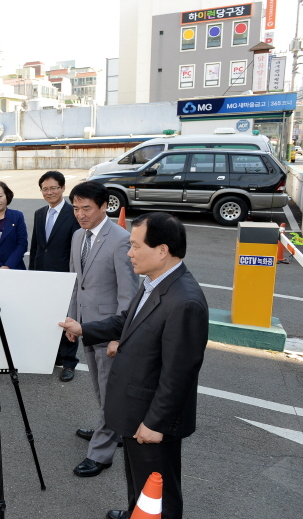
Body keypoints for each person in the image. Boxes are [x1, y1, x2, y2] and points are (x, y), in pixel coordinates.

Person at [60, 212, 208, 519]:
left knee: (159, 489)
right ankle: (134, 512)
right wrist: (84, 328)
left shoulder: (185, 301)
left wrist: (156, 423)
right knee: (139, 479)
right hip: (135, 408)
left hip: (152, 417)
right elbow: (127, 321)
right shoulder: (156, 281)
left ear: (162, 250)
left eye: (136, 246)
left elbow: (179, 374)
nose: (129, 253)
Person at [66, 180, 139, 477]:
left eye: (87, 208)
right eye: (76, 208)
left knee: (110, 391)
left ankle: (101, 452)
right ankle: (114, 427)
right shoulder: (76, 236)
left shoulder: (121, 239)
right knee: (99, 386)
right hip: (86, 326)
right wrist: (73, 321)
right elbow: (75, 283)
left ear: (103, 207)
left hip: (108, 329)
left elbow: (128, 293)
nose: (81, 214)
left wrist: (119, 336)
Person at [28, 171, 81, 382]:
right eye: (45, 189)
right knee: (47, 318)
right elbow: (37, 246)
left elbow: (76, 249)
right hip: (42, 275)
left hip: (65, 275)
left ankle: (69, 363)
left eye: (53, 188)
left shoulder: (72, 213)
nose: (49, 192)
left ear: (63, 188)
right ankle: (51, 357)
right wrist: (32, 274)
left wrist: (75, 276)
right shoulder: (40, 213)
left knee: (67, 319)